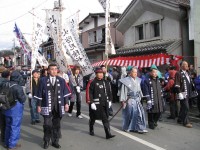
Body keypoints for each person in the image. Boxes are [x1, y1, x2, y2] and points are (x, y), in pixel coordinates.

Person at [35, 63, 71, 149]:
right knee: (47, 124)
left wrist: (66, 103)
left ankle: (55, 141)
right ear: (48, 70)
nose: (54, 71)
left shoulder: (61, 80)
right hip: (46, 105)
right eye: (52, 69)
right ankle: (46, 140)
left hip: (58, 106)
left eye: (55, 69)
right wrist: (39, 105)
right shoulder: (43, 80)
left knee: (57, 125)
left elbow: (65, 93)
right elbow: (39, 93)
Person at [88, 67, 115, 139]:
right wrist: (92, 102)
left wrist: (110, 100)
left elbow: (109, 92)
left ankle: (107, 133)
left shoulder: (106, 82)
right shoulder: (93, 82)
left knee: (105, 117)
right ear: (96, 74)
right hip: (96, 104)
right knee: (93, 118)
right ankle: (91, 129)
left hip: (104, 103)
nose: (100, 75)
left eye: (101, 73)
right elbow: (90, 93)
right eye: (99, 73)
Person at [119, 66, 147, 133]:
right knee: (129, 114)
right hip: (129, 99)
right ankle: (127, 127)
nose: (135, 74)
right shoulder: (126, 81)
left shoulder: (138, 80)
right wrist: (123, 100)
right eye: (134, 72)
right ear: (130, 73)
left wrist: (141, 97)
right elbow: (123, 91)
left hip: (137, 99)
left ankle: (139, 127)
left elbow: (139, 90)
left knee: (139, 113)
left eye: (136, 72)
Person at [3, 70, 26, 150]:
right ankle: (12, 145)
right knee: (15, 127)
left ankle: (6, 143)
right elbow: (23, 99)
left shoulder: (5, 84)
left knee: (8, 126)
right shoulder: (18, 87)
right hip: (15, 108)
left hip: (6, 107)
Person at [175, 61, 196, 128]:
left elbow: (190, 82)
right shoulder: (178, 73)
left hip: (189, 93)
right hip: (183, 93)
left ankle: (180, 119)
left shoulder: (188, 73)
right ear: (181, 66)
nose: (187, 66)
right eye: (185, 64)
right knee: (186, 107)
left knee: (183, 107)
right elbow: (177, 84)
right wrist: (179, 93)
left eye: (187, 64)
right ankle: (186, 122)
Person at [0, 70, 10, 143]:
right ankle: (4, 138)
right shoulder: (8, 83)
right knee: (5, 122)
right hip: (4, 103)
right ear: (8, 76)